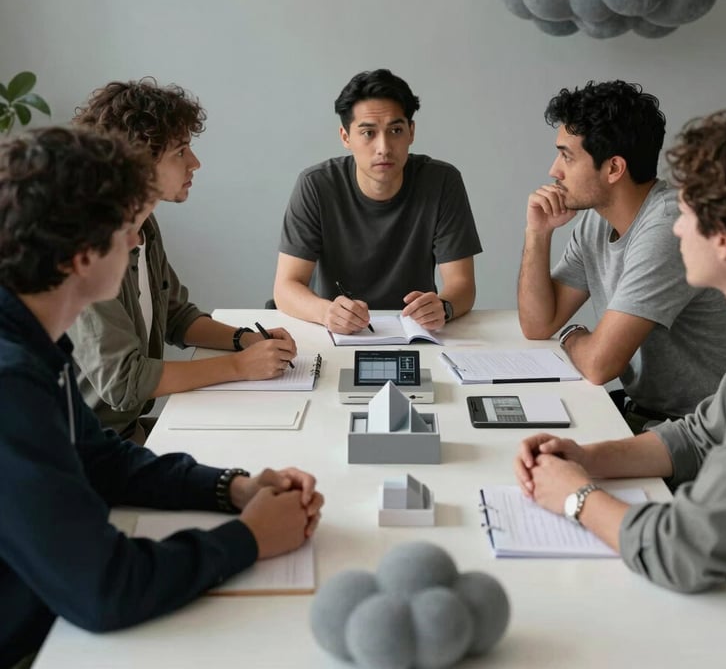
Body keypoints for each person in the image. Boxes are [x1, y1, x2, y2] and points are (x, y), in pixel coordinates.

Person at [0, 127, 323, 669]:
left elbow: (99, 456)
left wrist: (233, 488)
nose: (135, 241)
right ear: (81, 256)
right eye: (126, 227)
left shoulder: (32, 337)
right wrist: (248, 540)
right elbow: (103, 588)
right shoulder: (10, 381)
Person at [515, 110, 726, 632]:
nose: (676, 224)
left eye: (687, 211)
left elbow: (684, 549)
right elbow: (699, 435)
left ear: (723, 240)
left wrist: (576, 497)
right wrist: (585, 458)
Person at [69, 79, 297, 442]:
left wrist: (245, 340)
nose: (195, 163)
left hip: (127, 431)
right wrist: (239, 367)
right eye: (180, 151)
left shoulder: (145, 227)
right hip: (91, 449)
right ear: (137, 163)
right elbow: (124, 382)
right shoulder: (90, 249)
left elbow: (176, 315)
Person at [517, 80, 726, 433]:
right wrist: (538, 233)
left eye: (567, 156)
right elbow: (537, 324)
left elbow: (600, 365)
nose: (554, 171)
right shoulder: (595, 221)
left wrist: (571, 333)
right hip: (645, 413)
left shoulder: (667, 229)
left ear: (614, 168)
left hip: (702, 432)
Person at [273, 68, 482, 335]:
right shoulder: (316, 185)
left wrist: (443, 306)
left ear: (411, 132)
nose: (384, 147)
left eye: (395, 130)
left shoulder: (442, 181)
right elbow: (286, 287)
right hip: (338, 333)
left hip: (415, 332)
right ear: (346, 137)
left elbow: (462, 285)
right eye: (368, 133)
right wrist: (326, 313)